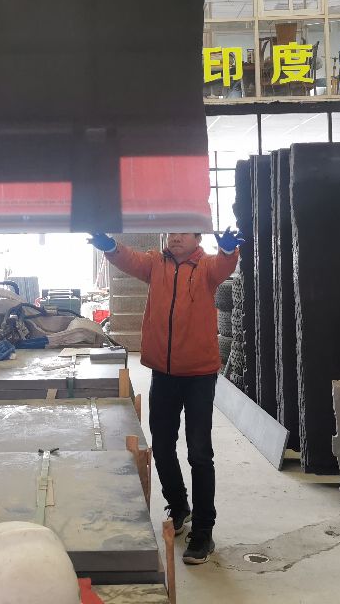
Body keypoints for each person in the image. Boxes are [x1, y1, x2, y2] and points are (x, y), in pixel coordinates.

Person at [90, 229, 244, 565]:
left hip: (199, 375)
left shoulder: (206, 267)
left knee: (199, 453)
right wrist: (110, 246)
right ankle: (179, 506)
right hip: (163, 372)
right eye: (172, 232)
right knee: (161, 446)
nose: (175, 238)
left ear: (196, 239)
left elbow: (224, 266)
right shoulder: (155, 265)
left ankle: (203, 531)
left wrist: (228, 250)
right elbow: (129, 259)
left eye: (183, 233)